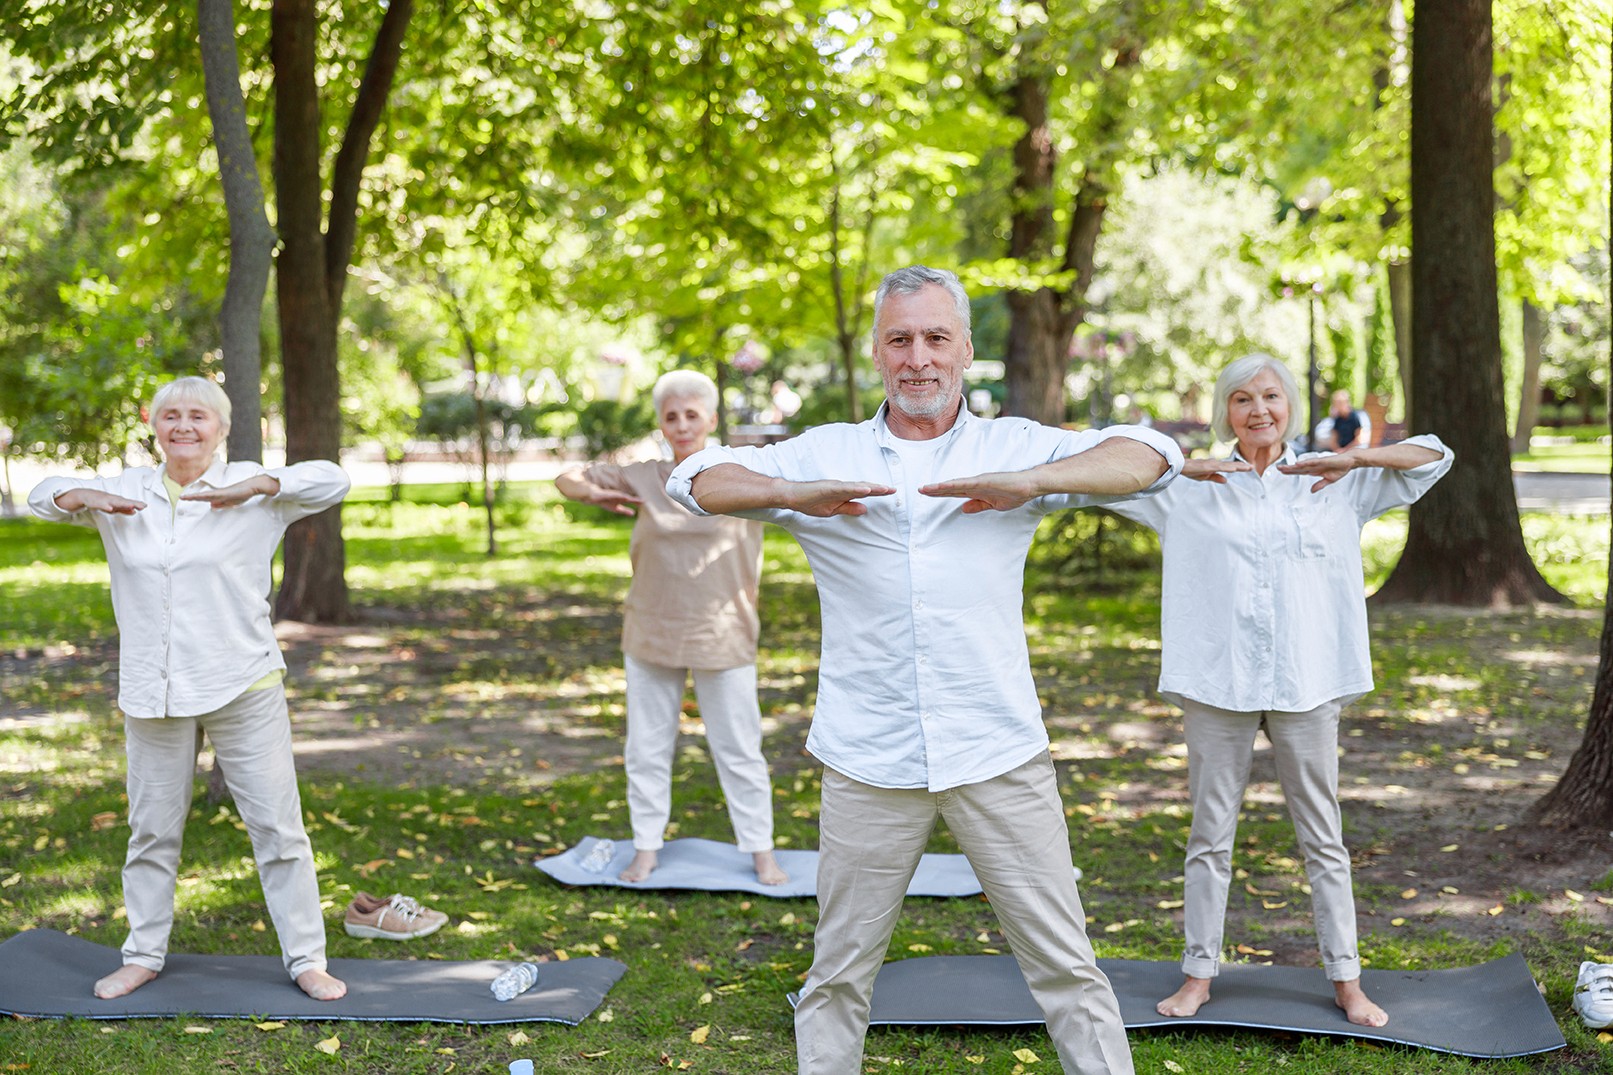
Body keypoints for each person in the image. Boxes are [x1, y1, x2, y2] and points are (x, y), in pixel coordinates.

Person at [667, 265, 1183, 1075]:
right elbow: (692, 479)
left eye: (936, 337)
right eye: (900, 338)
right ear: (876, 350)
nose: (918, 357)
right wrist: (795, 492)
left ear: (965, 349)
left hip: (997, 752)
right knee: (837, 977)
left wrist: (1034, 481)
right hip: (867, 760)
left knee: (1069, 970)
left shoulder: (1014, 445)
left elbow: (1153, 454)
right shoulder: (825, 451)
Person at [1104, 353, 1453, 1028]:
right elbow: (1105, 468)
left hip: (1306, 680)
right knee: (1209, 835)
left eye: (1269, 395)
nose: (1257, 409)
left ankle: (1347, 981)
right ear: (1222, 411)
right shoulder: (1189, 485)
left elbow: (1435, 455)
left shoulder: (1333, 481)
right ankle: (1197, 975)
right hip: (1217, 681)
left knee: (1322, 836)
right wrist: (1178, 465)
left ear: (1289, 404)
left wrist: (1357, 460)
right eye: (1241, 398)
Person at [27, 376, 352, 1001]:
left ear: (221, 429)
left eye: (198, 416)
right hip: (155, 689)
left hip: (242, 682)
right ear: (154, 424)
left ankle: (307, 959)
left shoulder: (254, 488)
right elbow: (41, 494)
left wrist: (260, 484)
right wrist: (77, 495)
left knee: (279, 832)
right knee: (150, 830)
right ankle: (143, 954)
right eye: (171, 414)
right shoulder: (125, 487)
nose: (184, 425)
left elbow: (333, 478)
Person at [555, 370, 787, 886]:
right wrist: (590, 493)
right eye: (671, 416)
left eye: (691, 415)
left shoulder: (740, 470)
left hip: (722, 629)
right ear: (661, 423)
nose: (682, 425)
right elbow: (568, 476)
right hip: (651, 629)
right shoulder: (644, 475)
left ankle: (761, 852)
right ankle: (645, 849)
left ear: (710, 419)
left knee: (740, 748)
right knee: (647, 746)